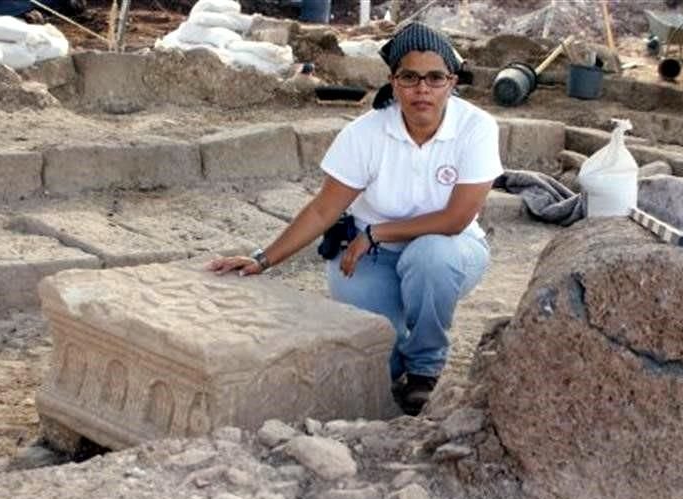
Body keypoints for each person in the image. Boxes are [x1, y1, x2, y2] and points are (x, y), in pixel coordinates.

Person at [208, 22, 503, 416]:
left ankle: (425, 369)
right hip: (371, 259)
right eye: (410, 77)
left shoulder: (476, 128)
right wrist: (262, 259)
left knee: (431, 257)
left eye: (435, 78)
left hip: (451, 249)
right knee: (377, 356)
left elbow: (455, 218)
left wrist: (377, 232)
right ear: (393, 82)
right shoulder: (366, 134)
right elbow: (322, 210)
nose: (422, 90)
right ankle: (401, 359)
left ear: (452, 81)